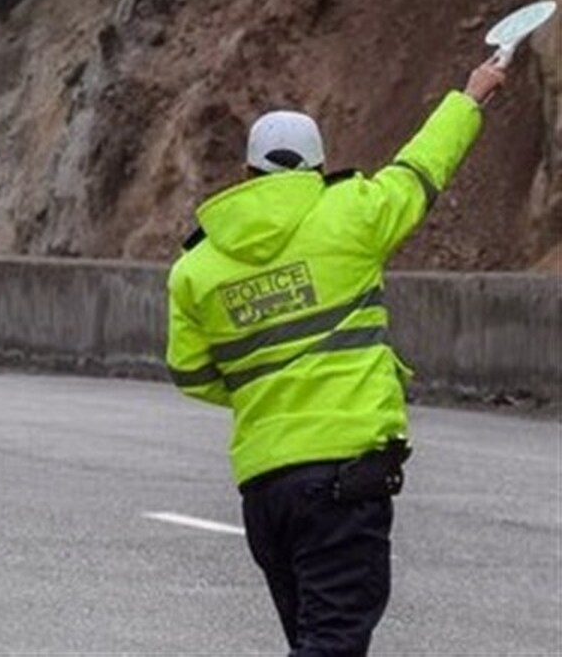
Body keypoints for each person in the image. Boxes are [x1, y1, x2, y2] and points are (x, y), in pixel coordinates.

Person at [165, 56, 507, 655]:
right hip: (344, 483)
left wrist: (264, 384)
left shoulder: (196, 267)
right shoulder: (352, 214)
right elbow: (423, 167)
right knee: (333, 642)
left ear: (246, 172)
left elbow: (191, 372)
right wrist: (471, 96)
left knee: (314, 638)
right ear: (320, 166)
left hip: (265, 491)